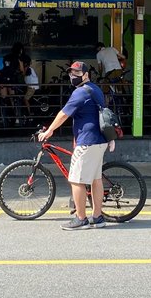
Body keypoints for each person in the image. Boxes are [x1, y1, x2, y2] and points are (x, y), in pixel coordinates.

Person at [38, 61, 110, 230]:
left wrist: (49, 131)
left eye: (77, 73)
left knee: (76, 180)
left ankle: (81, 218)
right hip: (100, 140)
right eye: (71, 73)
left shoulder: (80, 93)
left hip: (87, 141)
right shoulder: (96, 89)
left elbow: (63, 114)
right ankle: (97, 217)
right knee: (95, 179)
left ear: (86, 75)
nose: (73, 76)